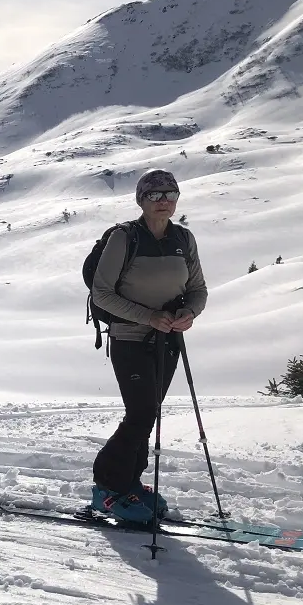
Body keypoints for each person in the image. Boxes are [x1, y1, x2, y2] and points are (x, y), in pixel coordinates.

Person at [90, 169, 208, 523]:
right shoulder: (125, 237)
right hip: (129, 338)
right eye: (155, 195)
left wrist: (189, 312)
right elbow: (102, 293)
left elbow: (199, 289)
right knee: (141, 414)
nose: (164, 201)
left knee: (147, 414)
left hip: (168, 339)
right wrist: (148, 317)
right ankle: (107, 487)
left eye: (170, 194)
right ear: (141, 200)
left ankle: (129, 483)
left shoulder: (183, 239)